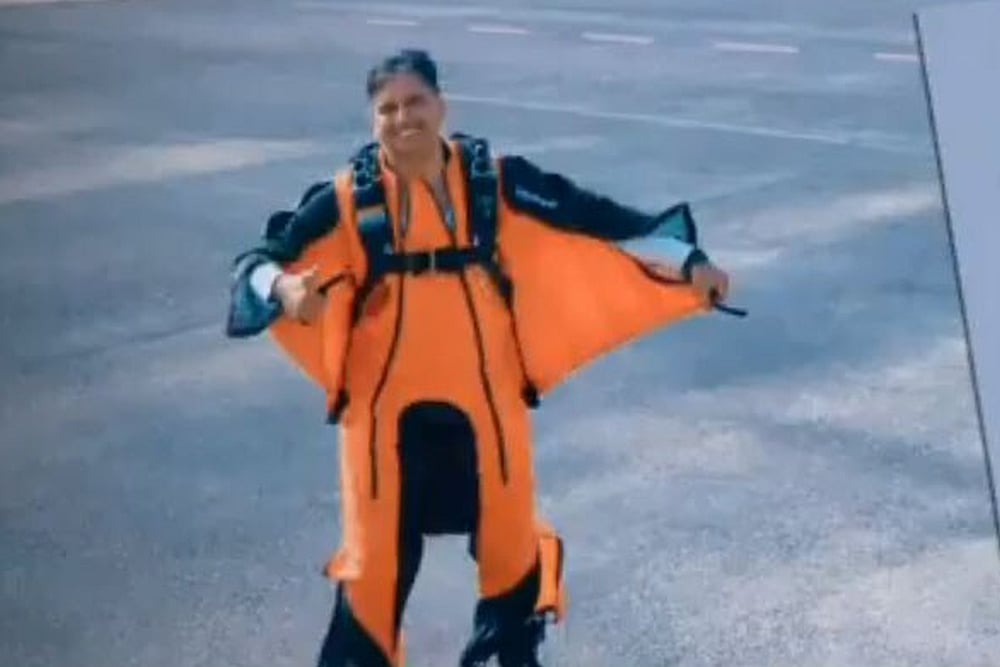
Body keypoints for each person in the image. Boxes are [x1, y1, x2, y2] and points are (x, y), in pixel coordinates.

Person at [226, 48, 734, 667]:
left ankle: (507, 645)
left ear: (442, 106)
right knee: (372, 575)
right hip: (383, 421)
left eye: (415, 102)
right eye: (388, 109)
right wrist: (283, 289)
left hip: (486, 408)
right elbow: (257, 261)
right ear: (372, 120)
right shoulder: (346, 201)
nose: (403, 118)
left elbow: (597, 220)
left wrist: (688, 262)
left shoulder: (496, 184)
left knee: (510, 555)